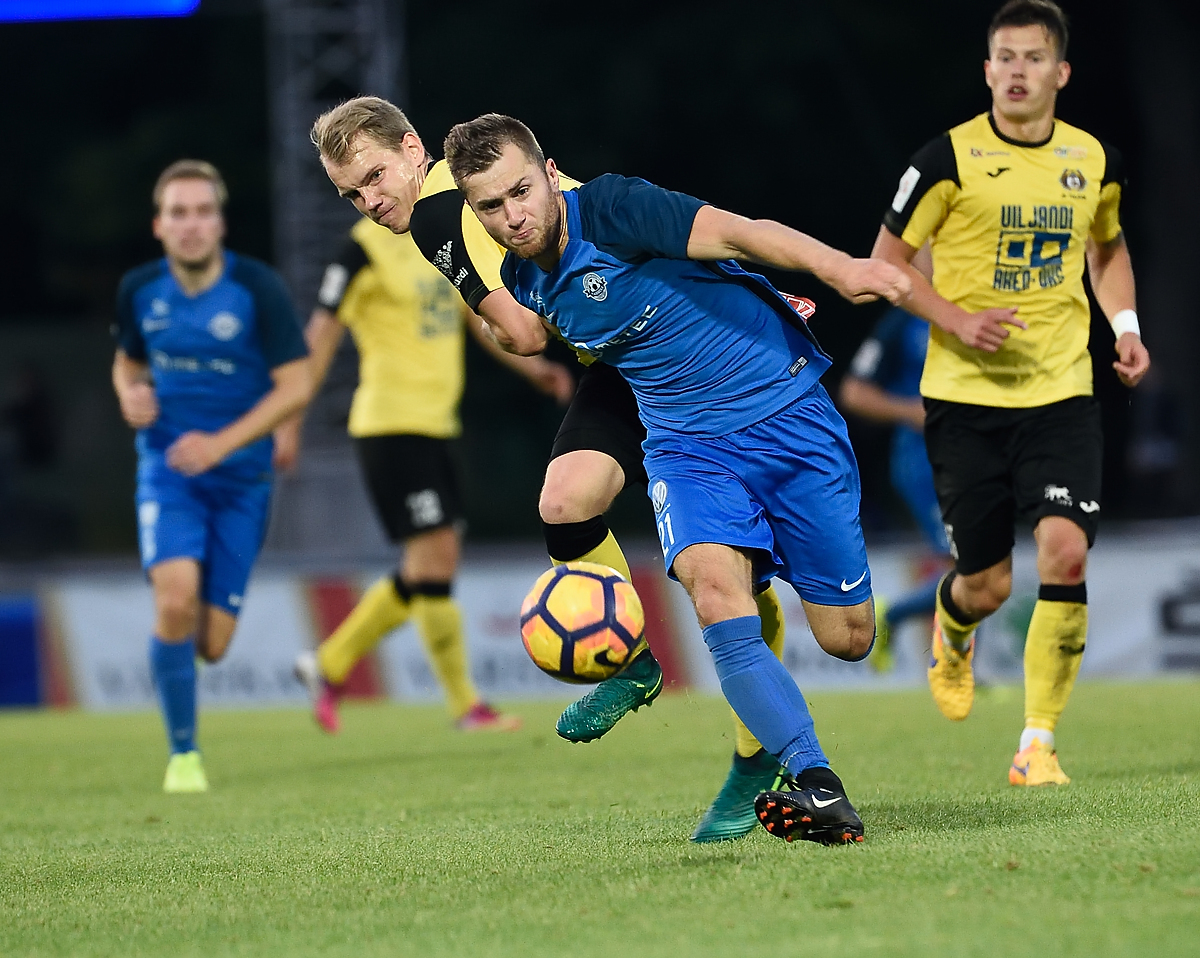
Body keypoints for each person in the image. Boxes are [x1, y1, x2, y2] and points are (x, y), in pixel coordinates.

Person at [310, 97, 800, 844]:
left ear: (412, 149)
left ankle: (755, 757)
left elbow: (524, 331)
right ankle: (633, 665)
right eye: (351, 193)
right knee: (567, 501)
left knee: (773, 599)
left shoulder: (441, 214)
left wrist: (498, 328)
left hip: (687, 350)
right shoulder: (469, 189)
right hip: (624, 362)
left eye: (375, 176)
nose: (370, 201)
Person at [444, 113, 909, 844]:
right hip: (686, 449)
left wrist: (839, 269)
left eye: (521, 191)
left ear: (550, 172)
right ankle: (817, 785)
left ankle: (779, 717)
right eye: (491, 206)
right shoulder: (521, 277)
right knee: (712, 589)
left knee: (847, 638)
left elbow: (740, 233)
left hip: (786, 416)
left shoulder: (615, 208)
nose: (513, 216)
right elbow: (537, 329)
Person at [871, 0, 1150, 785]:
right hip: (964, 399)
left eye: (1033, 58)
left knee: (1065, 550)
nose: (1017, 71)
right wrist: (956, 318)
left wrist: (1126, 325)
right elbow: (885, 264)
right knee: (988, 583)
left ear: (1061, 72)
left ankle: (1037, 742)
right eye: (1005, 57)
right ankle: (953, 626)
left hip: (1061, 391)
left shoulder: (1093, 159)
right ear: (988, 69)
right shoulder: (945, 161)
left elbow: (1107, 250)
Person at [287, 211, 574, 733]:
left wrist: (534, 368)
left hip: (436, 427)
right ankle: (466, 706)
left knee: (425, 566)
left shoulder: (436, 238)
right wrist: (289, 422)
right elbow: (319, 339)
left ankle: (327, 665)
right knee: (436, 557)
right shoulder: (360, 251)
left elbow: (477, 316)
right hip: (391, 426)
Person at [112, 160, 311, 793]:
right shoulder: (139, 289)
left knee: (212, 645)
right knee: (174, 601)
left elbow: (297, 385)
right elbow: (127, 364)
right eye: (178, 213)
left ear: (220, 223)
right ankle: (184, 755)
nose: (191, 224)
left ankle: (181, 663)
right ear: (159, 225)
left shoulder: (257, 288)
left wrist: (221, 445)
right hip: (168, 471)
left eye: (203, 211)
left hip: (242, 483)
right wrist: (129, 396)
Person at [839, 246, 952, 672]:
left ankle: (898, 619)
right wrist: (910, 411)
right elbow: (854, 392)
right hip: (923, 460)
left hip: (973, 456)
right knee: (969, 569)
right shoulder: (902, 322)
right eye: (929, 247)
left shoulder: (974, 312)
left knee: (978, 569)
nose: (940, 255)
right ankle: (951, 667)